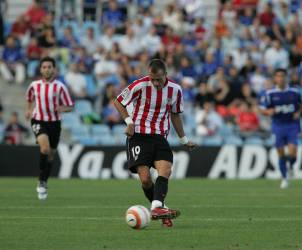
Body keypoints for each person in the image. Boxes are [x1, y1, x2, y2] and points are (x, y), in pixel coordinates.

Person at [114, 59, 196, 227]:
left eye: (158, 79)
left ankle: (157, 207)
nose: (155, 82)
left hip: (159, 137)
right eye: (152, 78)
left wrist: (183, 139)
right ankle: (161, 209)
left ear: (166, 75)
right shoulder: (140, 85)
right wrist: (129, 122)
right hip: (138, 135)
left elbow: (175, 115)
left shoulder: (175, 90)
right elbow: (118, 101)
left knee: (165, 171)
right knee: (145, 180)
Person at [25, 57, 74, 200]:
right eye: (44, 67)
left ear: (54, 69)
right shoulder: (34, 85)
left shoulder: (60, 87)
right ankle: (41, 179)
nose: (47, 69)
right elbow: (29, 98)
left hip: (55, 123)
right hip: (38, 119)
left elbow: (70, 106)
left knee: (51, 155)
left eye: (49, 67)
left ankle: (44, 181)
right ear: (41, 69)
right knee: (45, 149)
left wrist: (62, 108)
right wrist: (28, 110)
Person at [259, 68, 302, 189]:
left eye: (283, 76)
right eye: (278, 76)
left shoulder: (294, 91)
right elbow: (261, 109)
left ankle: (290, 166)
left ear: (286, 77)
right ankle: (284, 178)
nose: (280, 78)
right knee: (281, 153)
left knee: (293, 153)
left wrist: (299, 112)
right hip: (278, 126)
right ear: (275, 78)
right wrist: (268, 111)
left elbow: (300, 105)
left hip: (292, 125)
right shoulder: (270, 94)